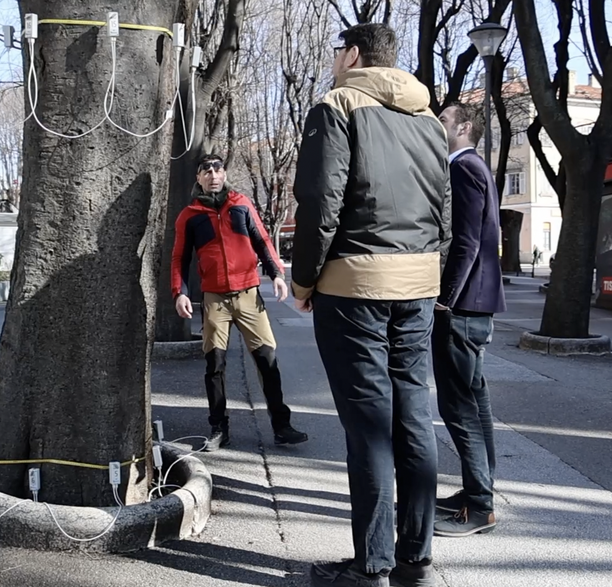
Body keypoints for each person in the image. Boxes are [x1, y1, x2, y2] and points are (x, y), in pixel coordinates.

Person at [290, 24, 451, 587]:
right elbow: (444, 212)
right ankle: (415, 558)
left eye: (338, 51)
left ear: (354, 54)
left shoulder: (337, 107)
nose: (335, 61)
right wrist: (430, 274)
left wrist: (304, 280)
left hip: (354, 286)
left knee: (369, 426)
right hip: (417, 285)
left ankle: (371, 565)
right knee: (414, 417)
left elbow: (320, 202)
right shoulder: (429, 119)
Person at [171, 153, 308, 452]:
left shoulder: (241, 204)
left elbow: (262, 240)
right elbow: (179, 257)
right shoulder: (189, 215)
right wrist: (179, 291)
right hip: (215, 299)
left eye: (217, 169)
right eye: (206, 171)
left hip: (249, 295)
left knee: (267, 360)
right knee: (215, 365)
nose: (213, 175)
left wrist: (277, 274)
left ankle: (281, 426)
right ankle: (219, 428)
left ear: (224, 174)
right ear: (199, 178)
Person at [432, 102, 506, 538]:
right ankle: (479, 492)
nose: (436, 123)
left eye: (443, 120)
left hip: (462, 308)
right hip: (475, 304)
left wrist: (446, 299)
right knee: (475, 404)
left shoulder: (463, 168)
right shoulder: (475, 167)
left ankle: (480, 506)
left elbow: (467, 242)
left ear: (463, 128)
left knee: (459, 406)